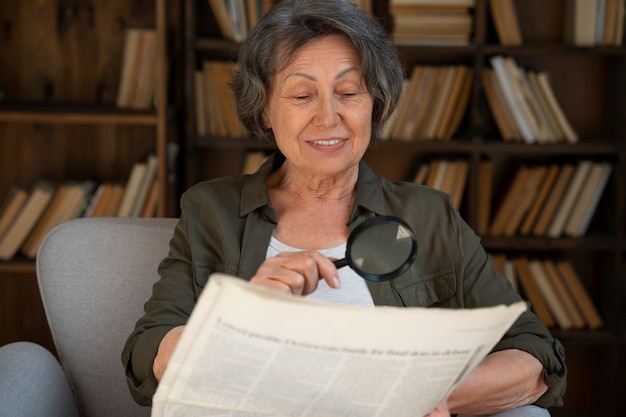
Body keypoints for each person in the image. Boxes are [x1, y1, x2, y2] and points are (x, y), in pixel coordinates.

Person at [122, 1, 566, 415]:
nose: (328, 116)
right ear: (264, 112)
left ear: (375, 105)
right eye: (301, 96)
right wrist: (240, 316)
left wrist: (427, 398)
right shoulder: (210, 209)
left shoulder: (430, 214)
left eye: (349, 92)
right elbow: (148, 352)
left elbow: (535, 354)